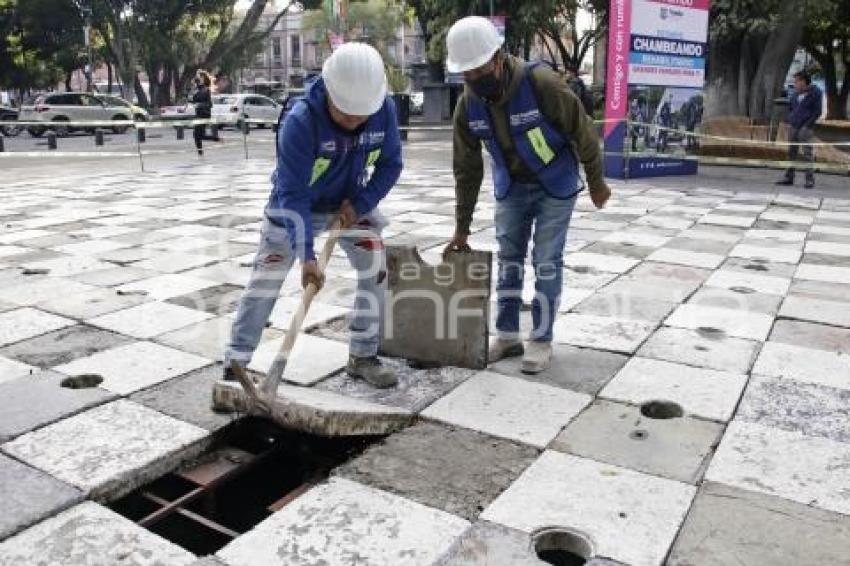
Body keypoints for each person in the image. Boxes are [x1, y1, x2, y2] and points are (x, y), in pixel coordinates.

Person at [224, 43, 403, 388]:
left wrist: (361, 203)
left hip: (349, 204)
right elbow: (293, 195)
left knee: (376, 267)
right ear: (329, 92)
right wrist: (306, 256)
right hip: (295, 207)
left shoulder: (383, 109)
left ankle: (363, 354)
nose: (353, 120)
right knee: (265, 280)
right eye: (345, 112)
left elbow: (391, 164)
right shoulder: (300, 123)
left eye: (361, 114)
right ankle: (236, 363)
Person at [442, 17, 612, 374]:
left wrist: (596, 183)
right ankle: (506, 335)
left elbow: (583, 133)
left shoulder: (541, 83)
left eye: (479, 69)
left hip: (555, 183)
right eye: (466, 74)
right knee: (509, 259)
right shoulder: (467, 106)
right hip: (512, 187)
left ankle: (541, 339)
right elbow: (467, 170)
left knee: (547, 260)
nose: (474, 79)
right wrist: (462, 228)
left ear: (498, 58)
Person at [776, 71, 822, 189]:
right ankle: (789, 177)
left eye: (796, 81)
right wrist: (791, 119)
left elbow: (817, 112)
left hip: (806, 127)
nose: (794, 84)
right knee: (791, 152)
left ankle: (809, 179)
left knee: (807, 153)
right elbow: (791, 107)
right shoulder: (795, 94)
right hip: (794, 125)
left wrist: (807, 125)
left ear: (803, 82)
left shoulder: (816, 93)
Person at [189, 71, 220, 156]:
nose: (198, 79)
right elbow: (193, 100)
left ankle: (216, 139)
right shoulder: (196, 90)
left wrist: (199, 104)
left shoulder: (206, 90)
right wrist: (190, 100)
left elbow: (209, 104)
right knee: (197, 135)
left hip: (204, 114)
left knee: (198, 135)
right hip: (198, 114)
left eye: (200, 77)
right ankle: (201, 152)